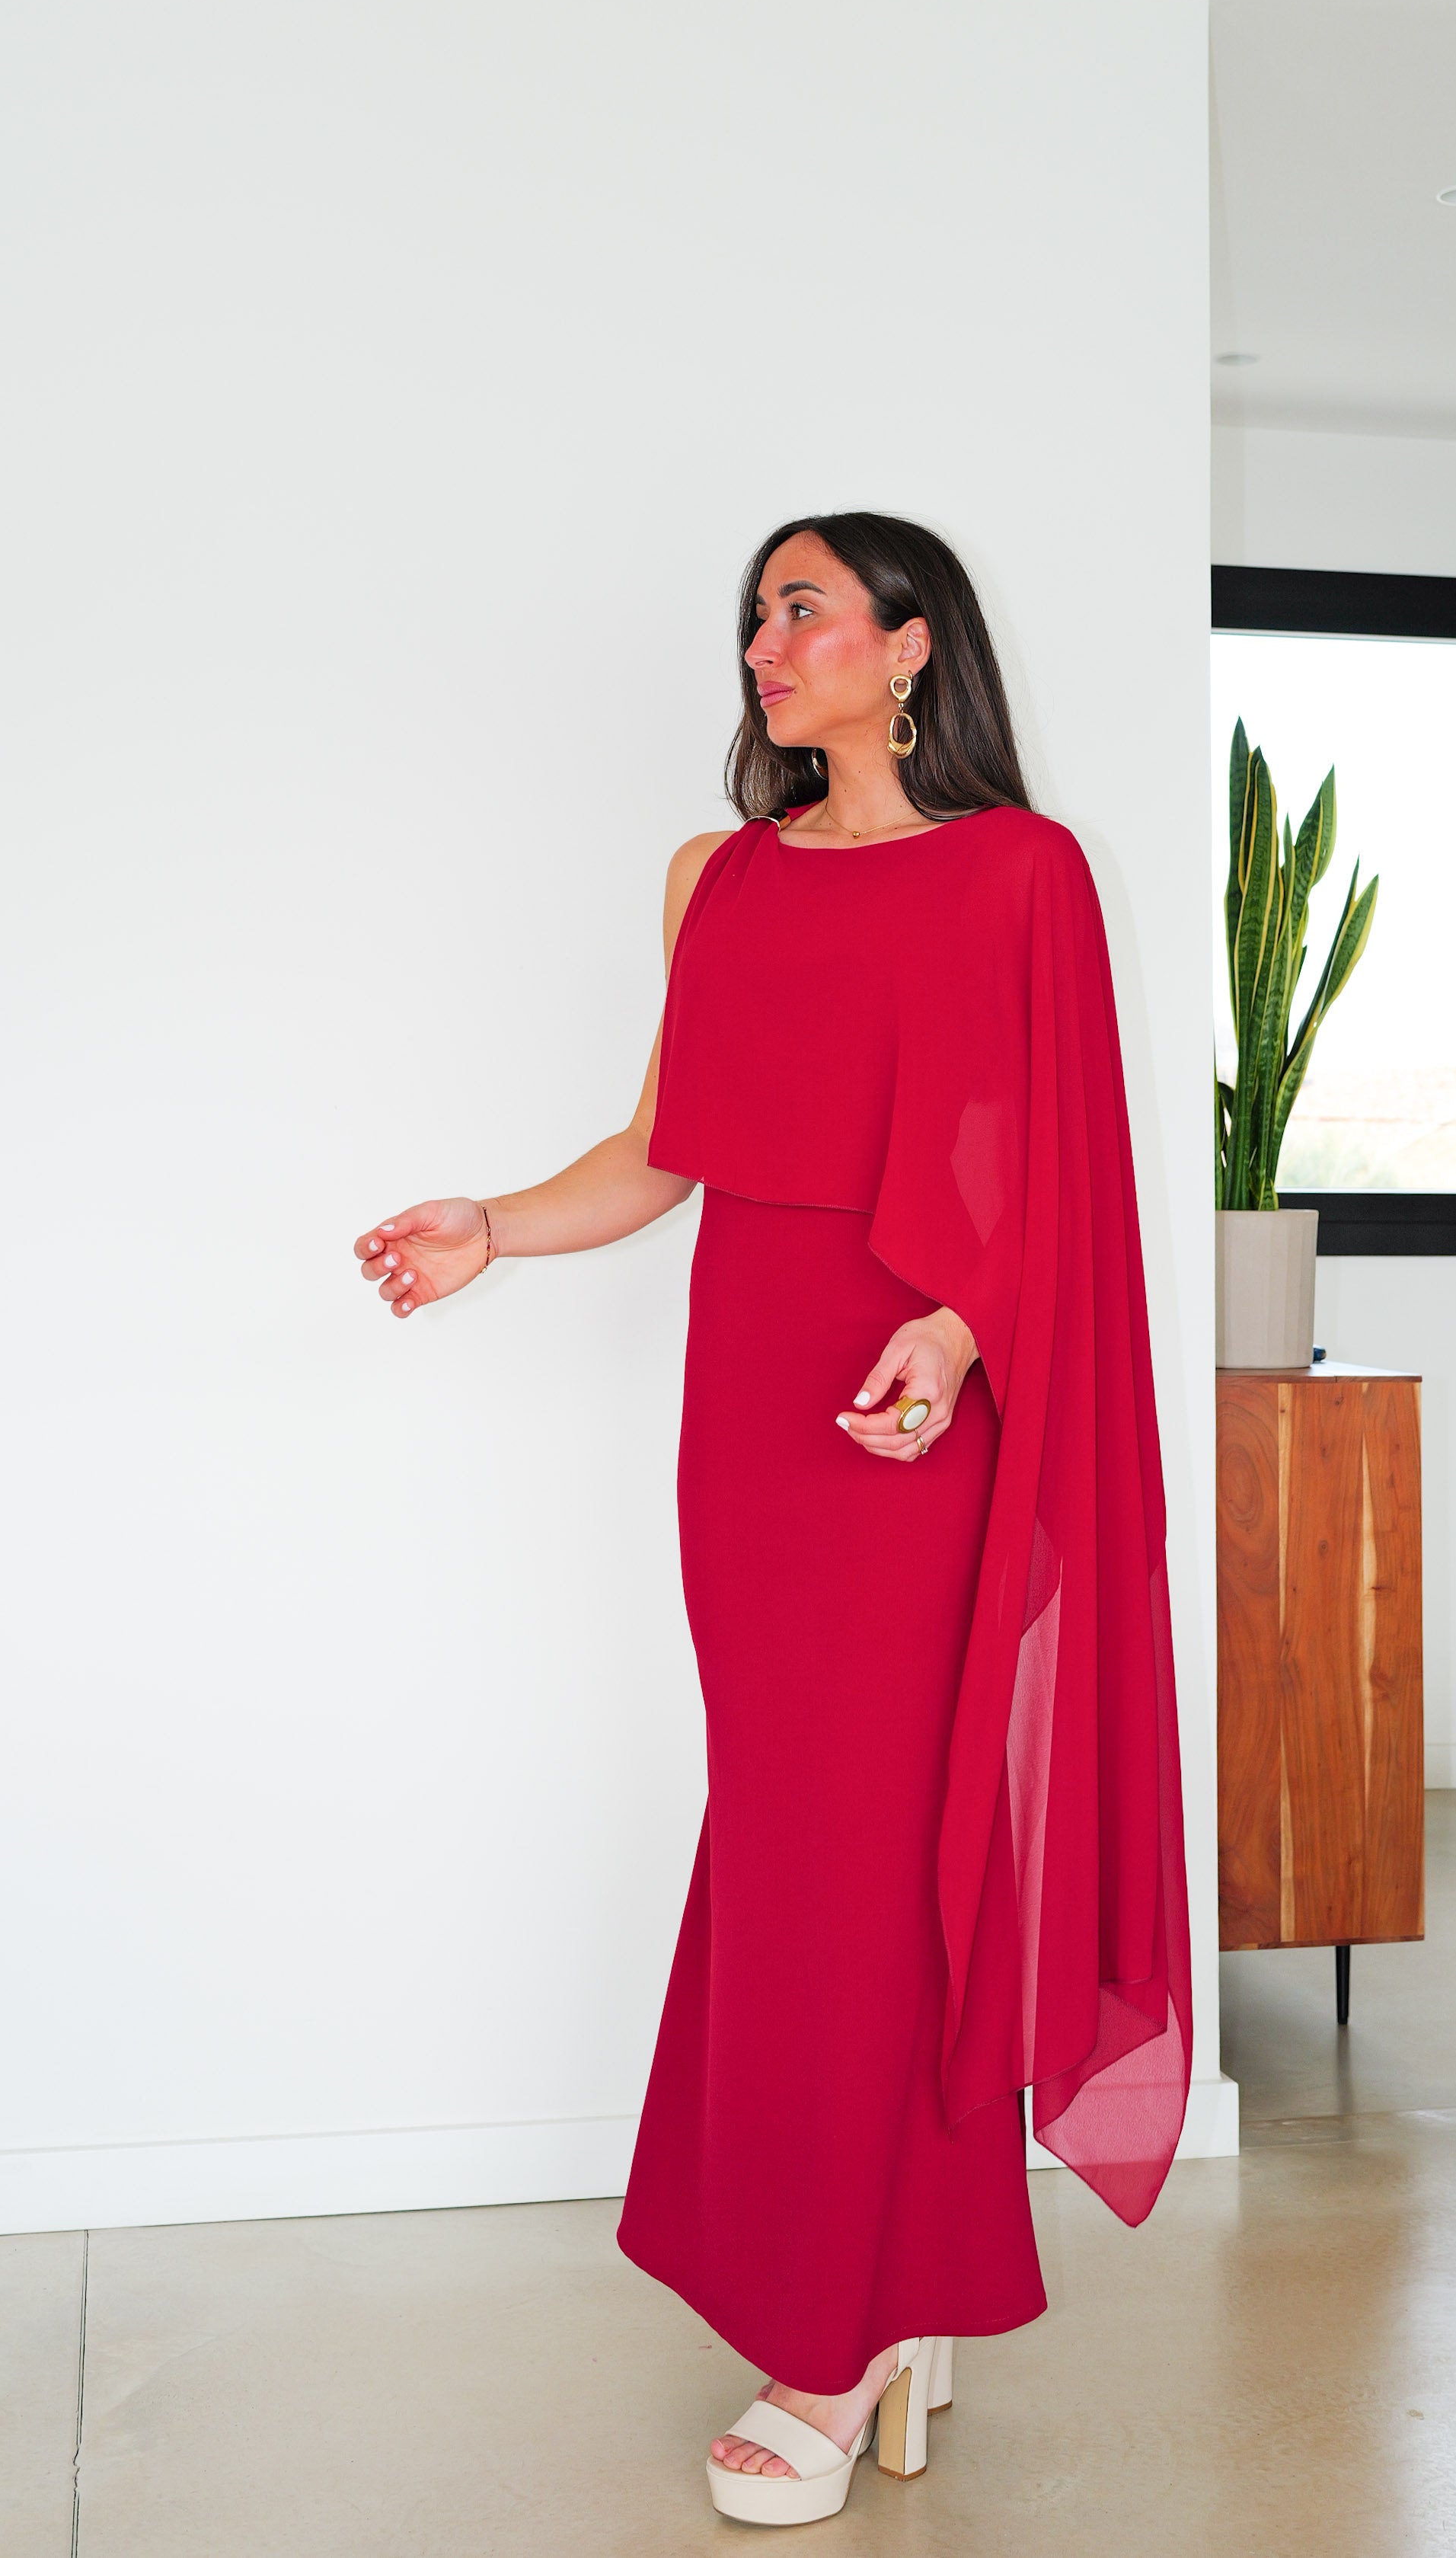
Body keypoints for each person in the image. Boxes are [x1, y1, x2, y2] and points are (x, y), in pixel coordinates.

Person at [353, 512, 1190, 2527]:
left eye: (803, 607)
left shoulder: (1022, 871)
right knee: (794, 1844)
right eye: (753, 615)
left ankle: (845, 2322)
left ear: (911, 648)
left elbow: (1050, 1167)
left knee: (885, 1857)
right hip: (750, 1416)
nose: (764, 643)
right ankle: (877, 2292)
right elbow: (666, 1145)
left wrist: (961, 1330)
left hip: (913, 1410)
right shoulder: (710, 876)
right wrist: (495, 1225)